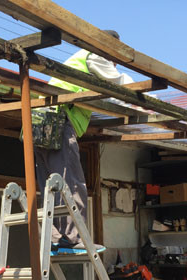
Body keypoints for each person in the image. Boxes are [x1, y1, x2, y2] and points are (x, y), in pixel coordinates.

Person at [35, 30, 135, 253]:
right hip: (58, 121)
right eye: (116, 56)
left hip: (39, 121)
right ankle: (73, 238)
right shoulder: (95, 55)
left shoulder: (81, 59)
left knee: (49, 184)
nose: (116, 62)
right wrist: (142, 100)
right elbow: (120, 84)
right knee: (71, 182)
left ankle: (53, 238)